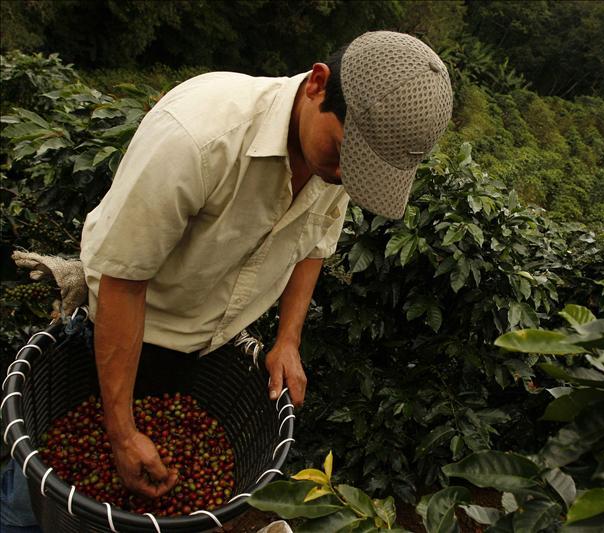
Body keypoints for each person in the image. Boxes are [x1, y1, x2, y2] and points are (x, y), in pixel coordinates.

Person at [2, 30, 452, 530]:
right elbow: (122, 281)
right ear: (317, 85)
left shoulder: (335, 165)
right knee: (32, 503)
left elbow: (313, 247)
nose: (346, 176)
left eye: (364, 170)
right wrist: (121, 432)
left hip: (204, 350)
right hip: (116, 333)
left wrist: (288, 340)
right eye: (346, 155)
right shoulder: (197, 138)